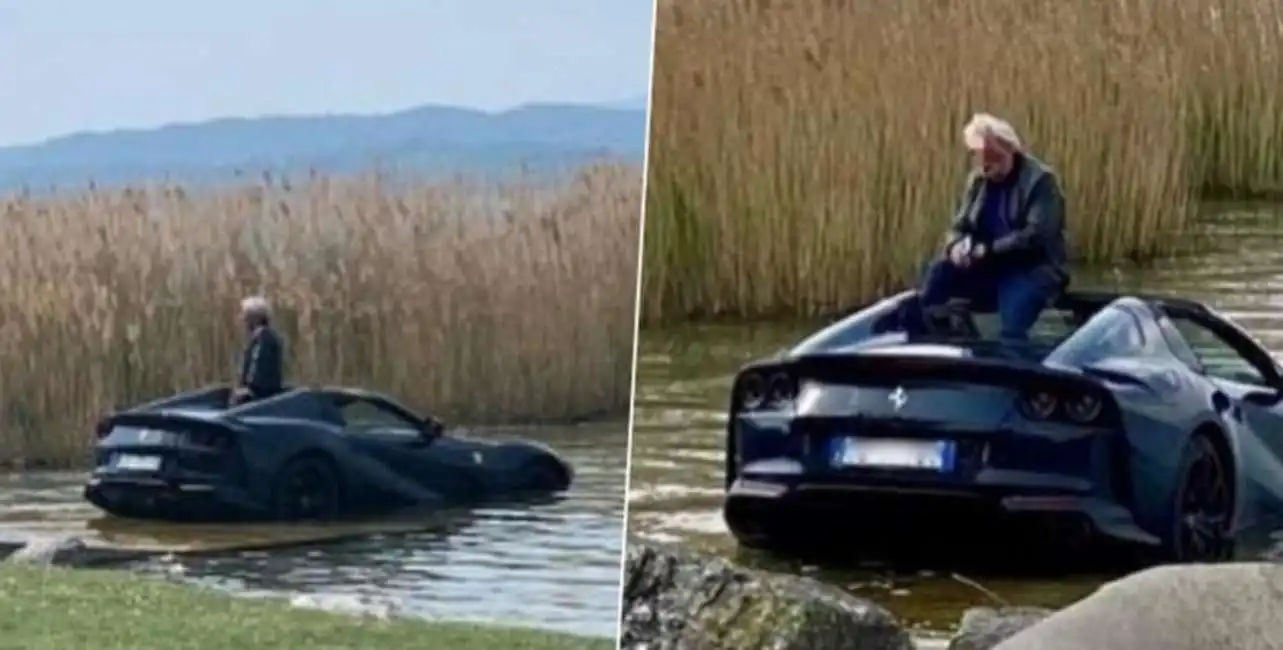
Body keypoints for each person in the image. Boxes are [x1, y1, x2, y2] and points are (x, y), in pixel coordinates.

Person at [917, 113, 1069, 340]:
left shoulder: (1041, 181)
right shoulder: (978, 180)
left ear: (1009, 150)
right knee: (938, 273)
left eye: (992, 157)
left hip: (1032, 268)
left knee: (1014, 315)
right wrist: (955, 247)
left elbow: (1036, 235)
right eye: (980, 157)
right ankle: (931, 340)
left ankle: (1011, 359)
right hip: (985, 266)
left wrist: (988, 250)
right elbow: (960, 225)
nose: (986, 165)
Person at [231, 295, 285, 406]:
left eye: (244, 315)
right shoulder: (263, 335)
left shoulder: (263, 336)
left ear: (254, 318)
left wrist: (248, 389)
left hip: (260, 395)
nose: (242, 318)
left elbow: (258, 365)